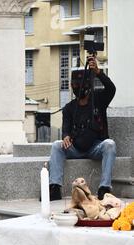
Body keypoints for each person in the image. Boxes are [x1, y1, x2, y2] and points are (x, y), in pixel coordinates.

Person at [49, 55, 116, 201]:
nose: (78, 88)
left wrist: (98, 72)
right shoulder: (69, 108)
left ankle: (104, 188)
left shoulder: (99, 99)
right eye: (75, 85)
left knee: (110, 144)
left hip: (95, 147)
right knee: (56, 146)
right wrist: (66, 136)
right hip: (75, 148)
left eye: (81, 84)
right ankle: (54, 187)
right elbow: (65, 127)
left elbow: (111, 89)